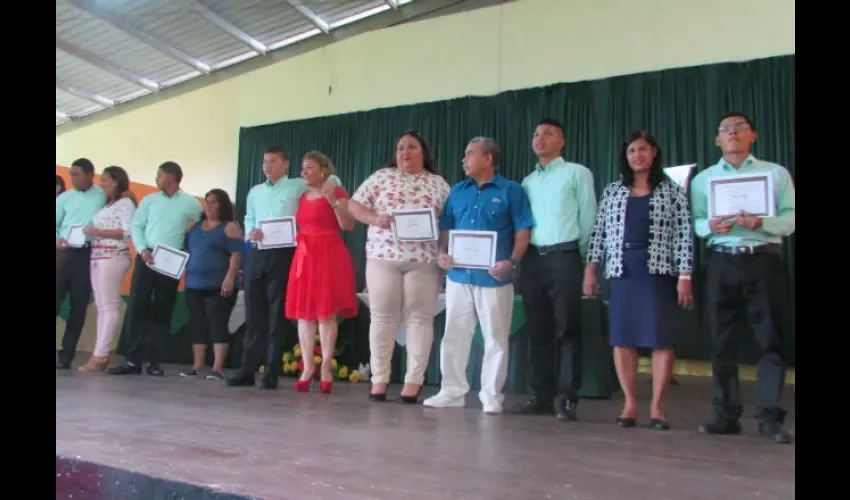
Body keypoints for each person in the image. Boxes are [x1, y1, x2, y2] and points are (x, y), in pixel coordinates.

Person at [690, 112, 795, 444]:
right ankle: (726, 415)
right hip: (721, 262)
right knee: (721, 341)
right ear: (716, 141)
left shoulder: (775, 174)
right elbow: (695, 221)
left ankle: (769, 418)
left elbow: (791, 218)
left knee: (770, 341)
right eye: (725, 129)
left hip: (763, 261)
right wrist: (710, 227)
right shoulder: (702, 180)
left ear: (754, 136)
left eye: (739, 128)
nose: (732, 133)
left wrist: (762, 222)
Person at [583, 131, 694, 430]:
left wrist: (685, 274)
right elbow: (598, 233)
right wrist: (590, 269)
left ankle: (658, 407)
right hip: (622, 269)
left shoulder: (672, 191)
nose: (637, 155)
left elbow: (684, 234)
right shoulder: (613, 191)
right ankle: (630, 404)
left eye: (642, 149)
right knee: (623, 337)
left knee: (661, 338)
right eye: (631, 150)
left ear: (654, 152)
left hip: (658, 270)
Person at [423, 137, 534, 414]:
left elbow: (523, 231)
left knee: (495, 339)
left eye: (470, 154)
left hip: (495, 278)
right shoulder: (458, 191)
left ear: (489, 159)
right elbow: (447, 228)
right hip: (459, 277)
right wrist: (442, 253)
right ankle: (451, 391)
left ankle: (491, 395)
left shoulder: (511, 190)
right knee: (453, 336)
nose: (464, 160)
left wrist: (513, 261)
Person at [348, 131, 451, 403]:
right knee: (382, 317)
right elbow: (353, 205)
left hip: (424, 261)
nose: (405, 152)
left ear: (423, 152)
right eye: (400, 148)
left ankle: (413, 382)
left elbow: (448, 223)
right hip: (383, 257)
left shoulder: (438, 183)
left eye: (412, 147)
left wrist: (444, 252)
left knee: (420, 318)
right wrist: (373, 218)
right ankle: (379, 379)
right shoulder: (382, 177)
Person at [511, 118, 597, 421]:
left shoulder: (577, 173)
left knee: (568, 329)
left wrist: (589, 263)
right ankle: (541, 396)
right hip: (533, 260)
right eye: (535, 134)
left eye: (548, 134)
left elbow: (589, 220)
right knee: (538, 331)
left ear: (562, 141)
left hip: (566, 256)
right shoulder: (527, 182)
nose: (540, 138)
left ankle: (568, 398)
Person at [225, 147, 312, 390]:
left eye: (273, 161)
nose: (267, 165)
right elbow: (249, 218)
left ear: (286, 163)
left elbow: (323, 188)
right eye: (265, 161)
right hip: (258, 252)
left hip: (285, 254)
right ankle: (246, 371)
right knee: (254, 315)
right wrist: (250, 231)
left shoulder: (297, 186)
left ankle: (271, 372)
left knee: (276, 316)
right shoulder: (255, 192)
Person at [108, 162, 203, 376]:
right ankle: (132, 360)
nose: (156, 178)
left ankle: (155, 361)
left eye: (159, 175)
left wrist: (187, 254)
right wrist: (141, 249)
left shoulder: (191, 204)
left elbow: (199, 229)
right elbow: (137, 226)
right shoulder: (149, 200)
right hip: (147, 257)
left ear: (171, 177)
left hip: (171, 261)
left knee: (163, 310)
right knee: (136, 306)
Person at [286, 152, 358, 394]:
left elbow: (348, 225)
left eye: (309, 167)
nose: (304, 172)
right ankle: (307, 368)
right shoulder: (301, 196)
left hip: (328, 254)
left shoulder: (336, 191)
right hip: (305, 257)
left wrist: (333, 200)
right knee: (304, 315)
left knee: (326, 314)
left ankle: (326, 366)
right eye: (302, 168)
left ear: (323, 170)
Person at [180, 189, 244, 382]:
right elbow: (187, 253)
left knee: (217, 324)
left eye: (214, 202)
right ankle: (197, 365)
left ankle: (217, 367)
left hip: (218, 285)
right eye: (207, 202)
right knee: (198, 325)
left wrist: (229, 278)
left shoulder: (229, 227)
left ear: (222, 205)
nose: (209, 206)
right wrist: (184, 276)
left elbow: (236, 255)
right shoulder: (195, 227)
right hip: (194, 284)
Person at [78, 166, 138, 372]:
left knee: (109, 307)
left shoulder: (125, 204)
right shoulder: (107, 204)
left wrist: (98, 231)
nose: (101, 184)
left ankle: (101, 355)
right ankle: (100, 353)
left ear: (116, 181)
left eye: (105, 180)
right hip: (98, 256)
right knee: (102, 307)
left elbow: (127, 231)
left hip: (112, 256)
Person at [56, 158, 106, 369]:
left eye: (76, 174)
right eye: (71, 174)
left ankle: (66, 356)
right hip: (63, 254)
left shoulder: (103, 196)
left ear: (89, 175)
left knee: (78, 308)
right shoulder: (64, 198)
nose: (72, 178)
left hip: (88, 255)